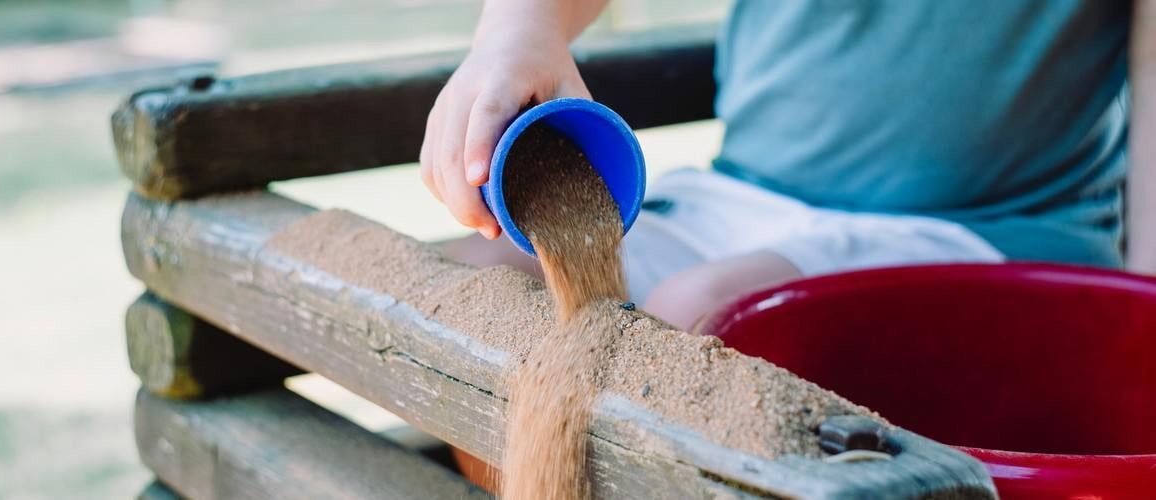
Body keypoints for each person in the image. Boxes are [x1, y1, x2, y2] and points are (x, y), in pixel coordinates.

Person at [420, 0, 1156, 331]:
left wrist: (1143, 298)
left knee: (704, 309)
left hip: (984, 225)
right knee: (484, 285)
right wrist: (517, 28)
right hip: (744, 195)